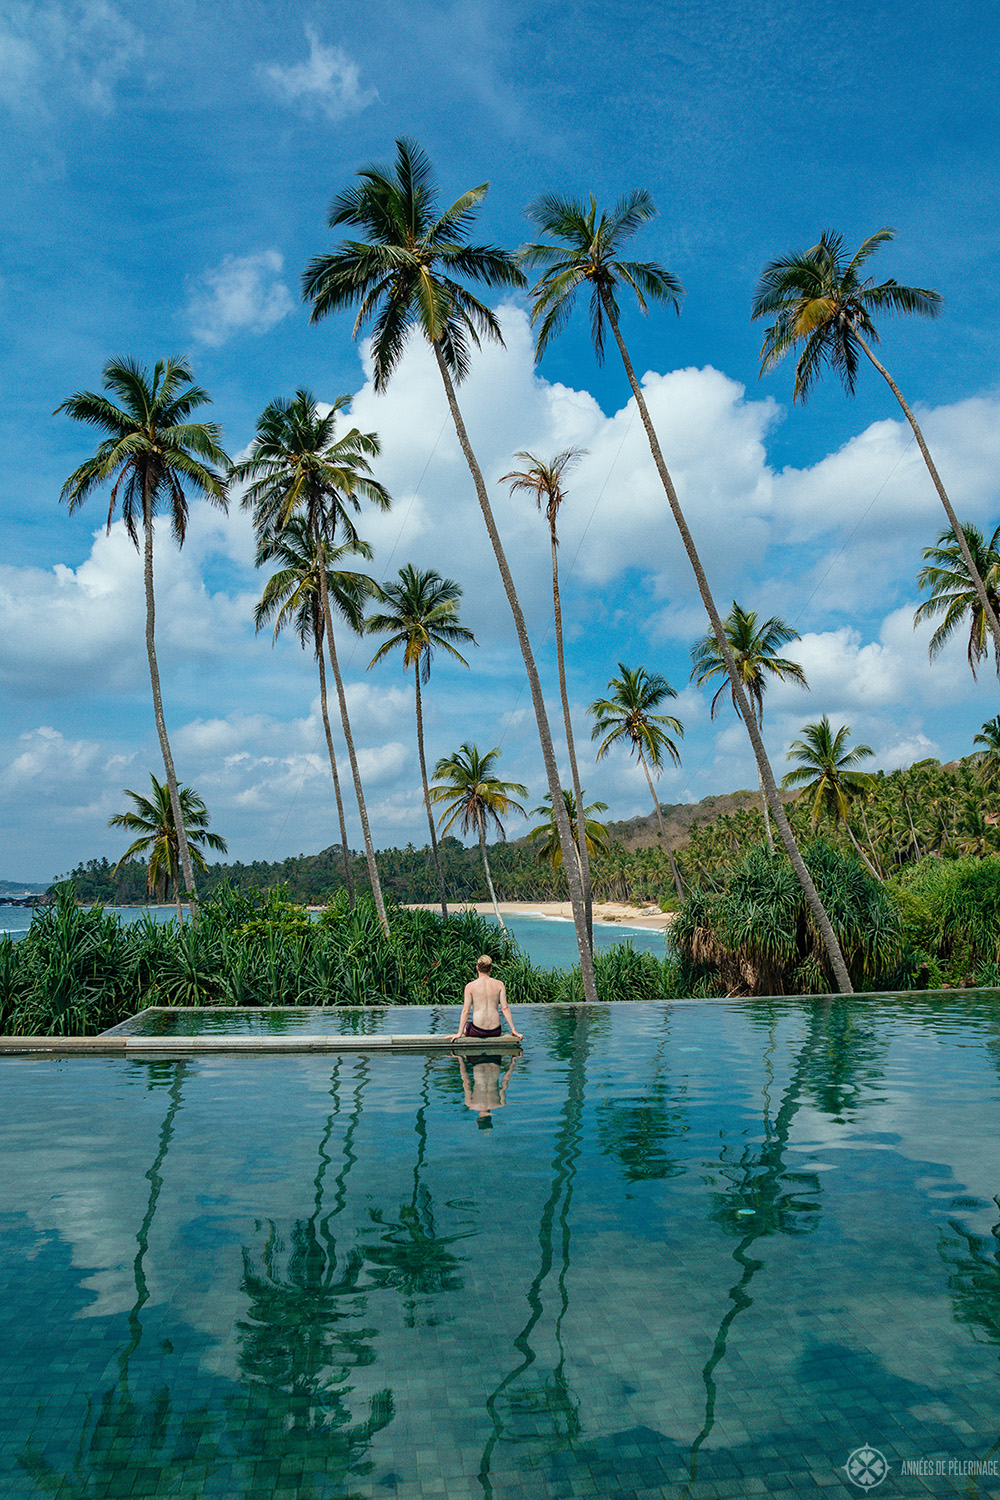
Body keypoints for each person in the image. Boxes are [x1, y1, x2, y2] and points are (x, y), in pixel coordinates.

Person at [449, 955, 522, 1042]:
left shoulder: (470, 986)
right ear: (490, 969)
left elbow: (466, 1011)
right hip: (496, 1030)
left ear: (477, 968)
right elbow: (505, 1008)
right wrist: (513, 1030)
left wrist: (459, 1033)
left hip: (478, 1030)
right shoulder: (500, 985)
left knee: (466, 1027)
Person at [457, 1052, 517, 1129]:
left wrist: (513, 1060)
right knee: (468, 1056)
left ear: (490, 1120)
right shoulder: (470, 1104)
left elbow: (505, 1080)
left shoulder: (501, 1104)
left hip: (495, 1059)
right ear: (477, 1121)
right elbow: (466, 1082)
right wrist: (460, 1058)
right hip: (477, 1061)